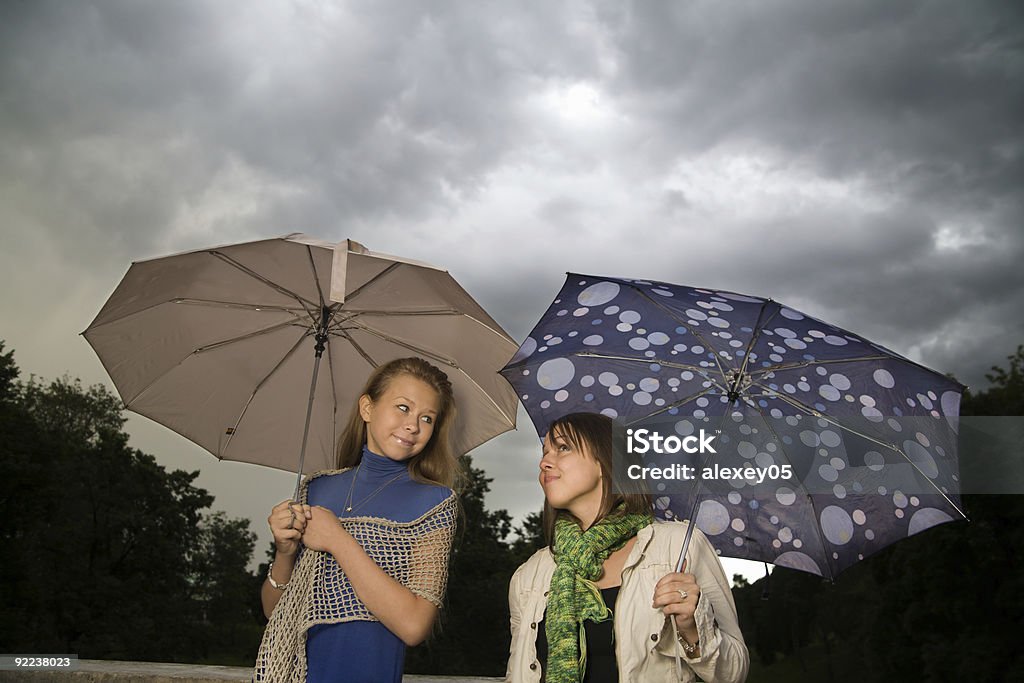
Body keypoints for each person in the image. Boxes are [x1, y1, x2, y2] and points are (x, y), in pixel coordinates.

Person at [254, 357, 461, 683]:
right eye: (403, 408)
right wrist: (284, 550)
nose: (413, 425)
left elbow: (414, 626)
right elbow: (273, 611)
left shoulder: (435, 504)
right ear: (367, 408)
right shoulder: (316, 487)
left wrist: (337, 540)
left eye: (427, 418)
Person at [507, 412, 748, 683]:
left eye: (563, 448)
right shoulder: (529, 575)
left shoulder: (678, 547)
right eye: (544, 452)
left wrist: (692, 627)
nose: (544, 462)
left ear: (605, 461)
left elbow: (734, 673)